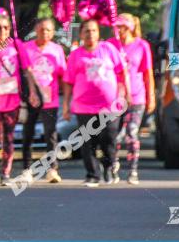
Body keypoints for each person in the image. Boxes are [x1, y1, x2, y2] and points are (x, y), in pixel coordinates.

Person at [62, 20, 129, 187]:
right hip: (83, 105)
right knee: (87, 141)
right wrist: (66, 105)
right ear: (82, 34)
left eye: (93, 30)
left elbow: (122, 71)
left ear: (98, 33)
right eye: (86, 31)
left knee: (108, 138)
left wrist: (126, 94)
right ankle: (92, 174)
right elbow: (68, 81)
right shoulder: (76, 55)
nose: (90, 34)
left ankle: (109, 167)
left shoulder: (108, 49)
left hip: (109, 106)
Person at [0, 11, 34, 186]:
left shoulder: (17, 46)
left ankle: (5, 174)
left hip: (12, 102)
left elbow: (27, 71)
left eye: (6, 28)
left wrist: (32, 93)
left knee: (9, 138)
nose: (2, 32)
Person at [18, 17, 67, 185]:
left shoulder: (57, 50)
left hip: (50, 98)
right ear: (35, 31)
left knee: (50, 134)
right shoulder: (26, 48)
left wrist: (66, 100)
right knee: (28, 133)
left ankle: (52, 169)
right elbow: (22, 73)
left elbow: (63, 75)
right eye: (41, 29)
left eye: (48, 30)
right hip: (30, 98)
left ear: (52, 32)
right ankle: (26, 169)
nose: (44, 33)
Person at [113, 14, 155, 185]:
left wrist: (150, 96)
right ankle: (112, 167)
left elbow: (148, 73)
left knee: (132, 132)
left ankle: (132, 170)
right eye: (117, 27)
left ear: (129, 28)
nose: (118, 30)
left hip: (137, 97)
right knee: (114, 136)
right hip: (115, 98)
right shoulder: (110, 45)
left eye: (121, 27)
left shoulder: (141, 45)